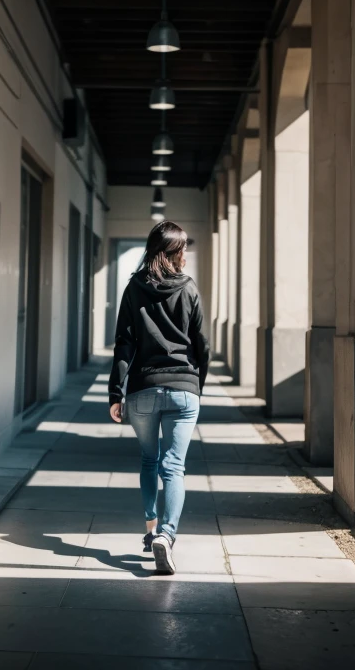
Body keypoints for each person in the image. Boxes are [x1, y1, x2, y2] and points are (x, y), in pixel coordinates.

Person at [108, 220, 210, 574]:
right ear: (173, 253)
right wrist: (197, 384)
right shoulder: (190, 288)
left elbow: (124, 343)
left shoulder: (133, 288)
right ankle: (167, 535)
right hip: (184, 390)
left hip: (143, 390)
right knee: (175, 467)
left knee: (150, 460)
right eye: (183, 249)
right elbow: (202, 344)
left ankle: (151, 529)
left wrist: (115, 392)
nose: (185, 255)